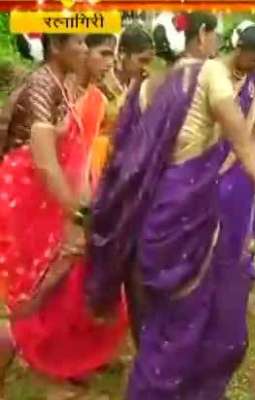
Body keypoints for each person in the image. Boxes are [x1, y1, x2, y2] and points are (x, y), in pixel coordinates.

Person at [87, 13, 255, 399]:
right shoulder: (210, 75)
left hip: (152, 218)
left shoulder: (147, 84)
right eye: (216, 35)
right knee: (184, 324)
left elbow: (123, 160)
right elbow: (242, 140)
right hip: (186, 220)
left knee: (162, 324)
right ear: (204, 35)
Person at [0, 33, 128, 397]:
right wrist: (81, 212)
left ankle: (50, 366)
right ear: (57, 47)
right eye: (83, 45)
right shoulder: (40, 86)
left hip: (51, 202)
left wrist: (84, 210)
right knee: (29, 294)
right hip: (25, 204)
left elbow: (75, 159)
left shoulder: (67, 85)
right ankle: (34, 371)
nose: (89, 53)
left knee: (57, 284)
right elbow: (44, 163)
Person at [87, 13, 215, 349]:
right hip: (176, 197)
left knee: (140, 266)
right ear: (202, 36)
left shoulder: (147, 87)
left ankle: (149, 348)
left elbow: (125, 149)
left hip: (136, 191)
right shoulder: (202, 85)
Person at [216, 20, 255, 316]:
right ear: (239, 49)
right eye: (253, 59)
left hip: (239, 166)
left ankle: (239, 295)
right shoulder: (215, 74)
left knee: (240, 230)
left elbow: (252, 128)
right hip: (210, 162)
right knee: (209, 229)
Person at [89, 25, 155, 187]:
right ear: (123, 54)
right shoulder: (100, 80)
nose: (146, 67)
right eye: (142, 60)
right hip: (95, 159)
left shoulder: (140, 83)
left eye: (149, 62)